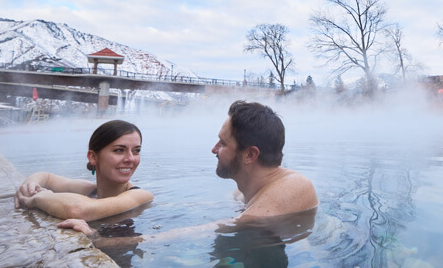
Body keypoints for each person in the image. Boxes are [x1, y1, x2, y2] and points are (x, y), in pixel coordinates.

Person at [59, 100, 317, 242]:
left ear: (250, 154)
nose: (214, 149)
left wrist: (100, 239)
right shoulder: (243, 195)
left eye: (223, 143)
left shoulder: (294, 185)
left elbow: (220, 227)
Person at [15, 120, 154, 221]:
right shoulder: (89, 190)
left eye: (136, 151)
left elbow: (78, 210)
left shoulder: (140, 195)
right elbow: (45, 177)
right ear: (93, 157)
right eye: (119, 150)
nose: (130, 159)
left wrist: (37, 199)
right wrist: (29, 188)